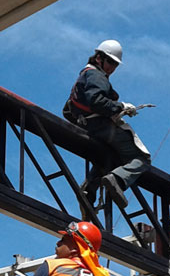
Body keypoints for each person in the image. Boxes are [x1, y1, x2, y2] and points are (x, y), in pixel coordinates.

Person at [63, 39, 151, 211]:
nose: (112, 68)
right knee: (142, 159)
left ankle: (89, 190)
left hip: (90, 127)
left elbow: (67, 110)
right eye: (110, 62)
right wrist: (120, 107)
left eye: (115, 64)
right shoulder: (96, 75)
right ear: (98, 58)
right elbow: (96, 101)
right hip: (101, 127)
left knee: (108, 155)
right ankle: (117, 180)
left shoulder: (84, 77)